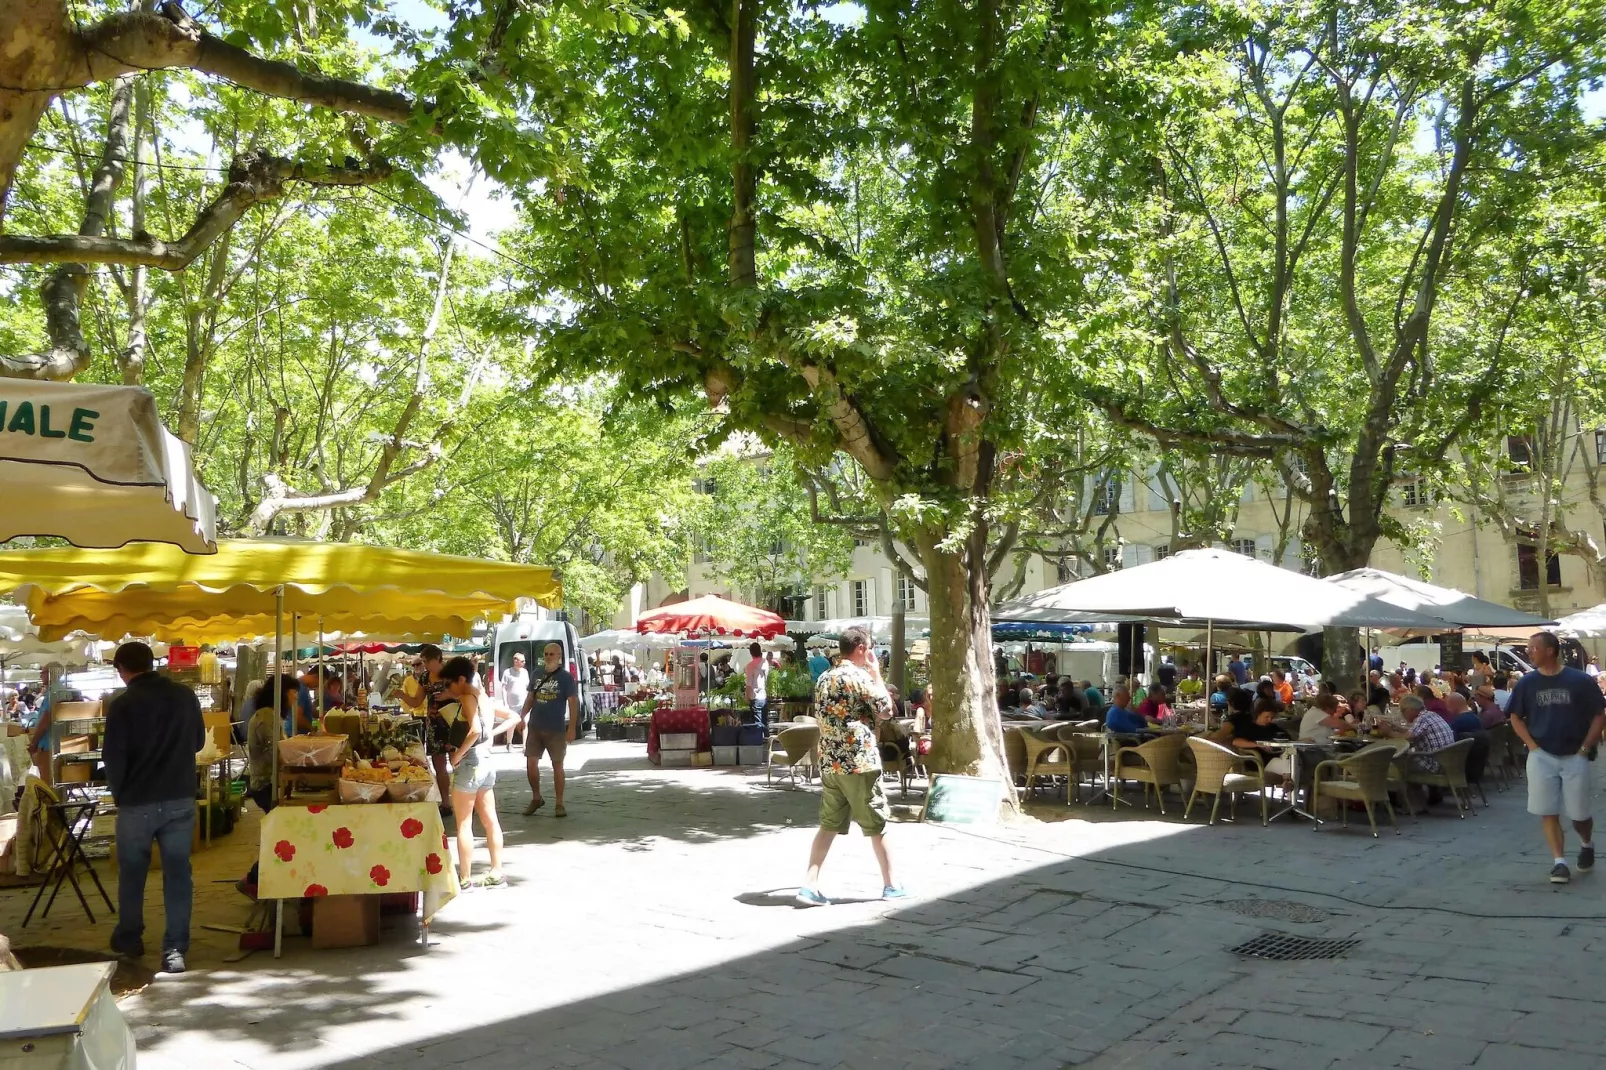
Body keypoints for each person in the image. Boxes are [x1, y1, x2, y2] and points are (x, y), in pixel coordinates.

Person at [103, 642, 206, 974]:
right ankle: (175, 948)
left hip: (136, 801)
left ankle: (130, 938)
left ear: (122, 668)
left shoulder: (122, 705)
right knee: (178, 874)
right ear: (153, 663)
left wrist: (121, 795)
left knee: (132, 874)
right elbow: (199, 743)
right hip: (179, 797)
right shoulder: (185, 696)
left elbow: (113, 758)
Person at [797, 626, 903, 905]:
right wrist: (877, 673)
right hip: (858, 761)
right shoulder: (859, 677)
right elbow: (887, 710)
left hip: (830, 760)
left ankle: (809, 884)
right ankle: (891, 885)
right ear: (860, 648)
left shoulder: (823, 678)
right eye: (869, 648)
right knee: (876, 823)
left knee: (828, 824)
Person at [1507, 630, 1606, 884]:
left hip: (1575, 754)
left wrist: (1586, 748)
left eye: (1533, 648)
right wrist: (1531, 746)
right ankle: (1559, 862)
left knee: (1579, 814)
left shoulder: (1579, 680)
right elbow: (1515, 716)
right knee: (1547, 810)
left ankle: (1586, 842)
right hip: (1542, 754)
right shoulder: (1527, 683)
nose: (1529, 652)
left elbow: (1599, 713)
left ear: (1550, 650)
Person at [442, 656, 505, 889]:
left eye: (449, 684)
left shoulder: (468, 697)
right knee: (490, 821)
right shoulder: (483, 697)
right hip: (487, 762)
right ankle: (497, 870)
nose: (448, 689)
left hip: (471, 763)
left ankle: (465, 877)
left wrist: (458, 755)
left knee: (464, 824)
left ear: (460, 679)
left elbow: (475, 731)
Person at [240, 675, 296, 896]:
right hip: (266, 785)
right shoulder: (266, 717)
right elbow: (276, 753)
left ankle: (258, 879)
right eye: (292, 694)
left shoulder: (270, 715)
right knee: (281, 836)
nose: (294, 699)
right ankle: (254, 879)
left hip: (270, 782)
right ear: (282, 694)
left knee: (281, 834)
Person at [520, 642, 579, 817]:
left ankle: (559, 803)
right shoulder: (536, 674)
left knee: (557, 766)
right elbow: (530, 697)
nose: (548, 657)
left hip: (556, 729)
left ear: (559, 656)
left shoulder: (566, 677)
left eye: (551, 654)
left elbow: (573, 703)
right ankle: (536, 797)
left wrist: (572, 728)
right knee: (531, 764)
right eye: (545, 654)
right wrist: (521, 716)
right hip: (535, 727)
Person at [744, 642, 769, 728]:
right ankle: (767, 739)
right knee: (765, 722)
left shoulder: (750, 666)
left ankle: (759, 740)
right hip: (764, 696)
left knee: (757, 724)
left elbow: (749, 684)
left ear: (751, 653)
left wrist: (746, 697)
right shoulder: (765, 663)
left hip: (754, 697)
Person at [500, 652, 531, 720]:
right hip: (511, 705)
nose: (524, 662)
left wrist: (527, 702)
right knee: (511, 724)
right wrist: (505, 703)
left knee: (524, 722)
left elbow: (527, 688)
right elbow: (504, 689)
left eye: (524, 661)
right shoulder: (507, 672)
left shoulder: (525, 672)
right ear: (515, 661)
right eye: (522, 661)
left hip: (523, 704)